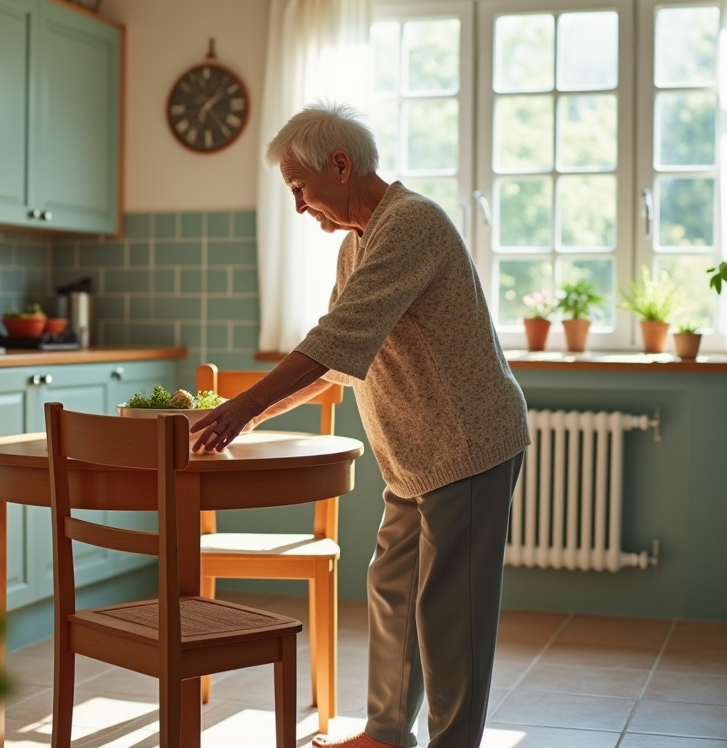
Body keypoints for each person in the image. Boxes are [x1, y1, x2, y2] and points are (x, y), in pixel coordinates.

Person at [192, 102, 530, 748]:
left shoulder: (412, 225)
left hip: (466, 444)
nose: (298, 207)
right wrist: (249, 415)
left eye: (299, 189)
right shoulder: (357, 244)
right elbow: (340, 362)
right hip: (412, 454)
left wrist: (239, 410)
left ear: (340, 165)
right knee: (393, 589)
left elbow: (333, 342)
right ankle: (384, 733)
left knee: (449, 610)